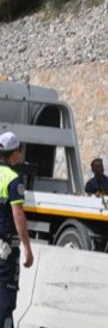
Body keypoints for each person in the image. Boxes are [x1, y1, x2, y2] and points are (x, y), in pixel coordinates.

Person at [0, 132, 34, 327]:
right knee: (5, 301)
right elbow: (18, 215)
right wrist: (27, 248)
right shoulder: (14, 180)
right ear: (14, 154)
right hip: (5, 251)